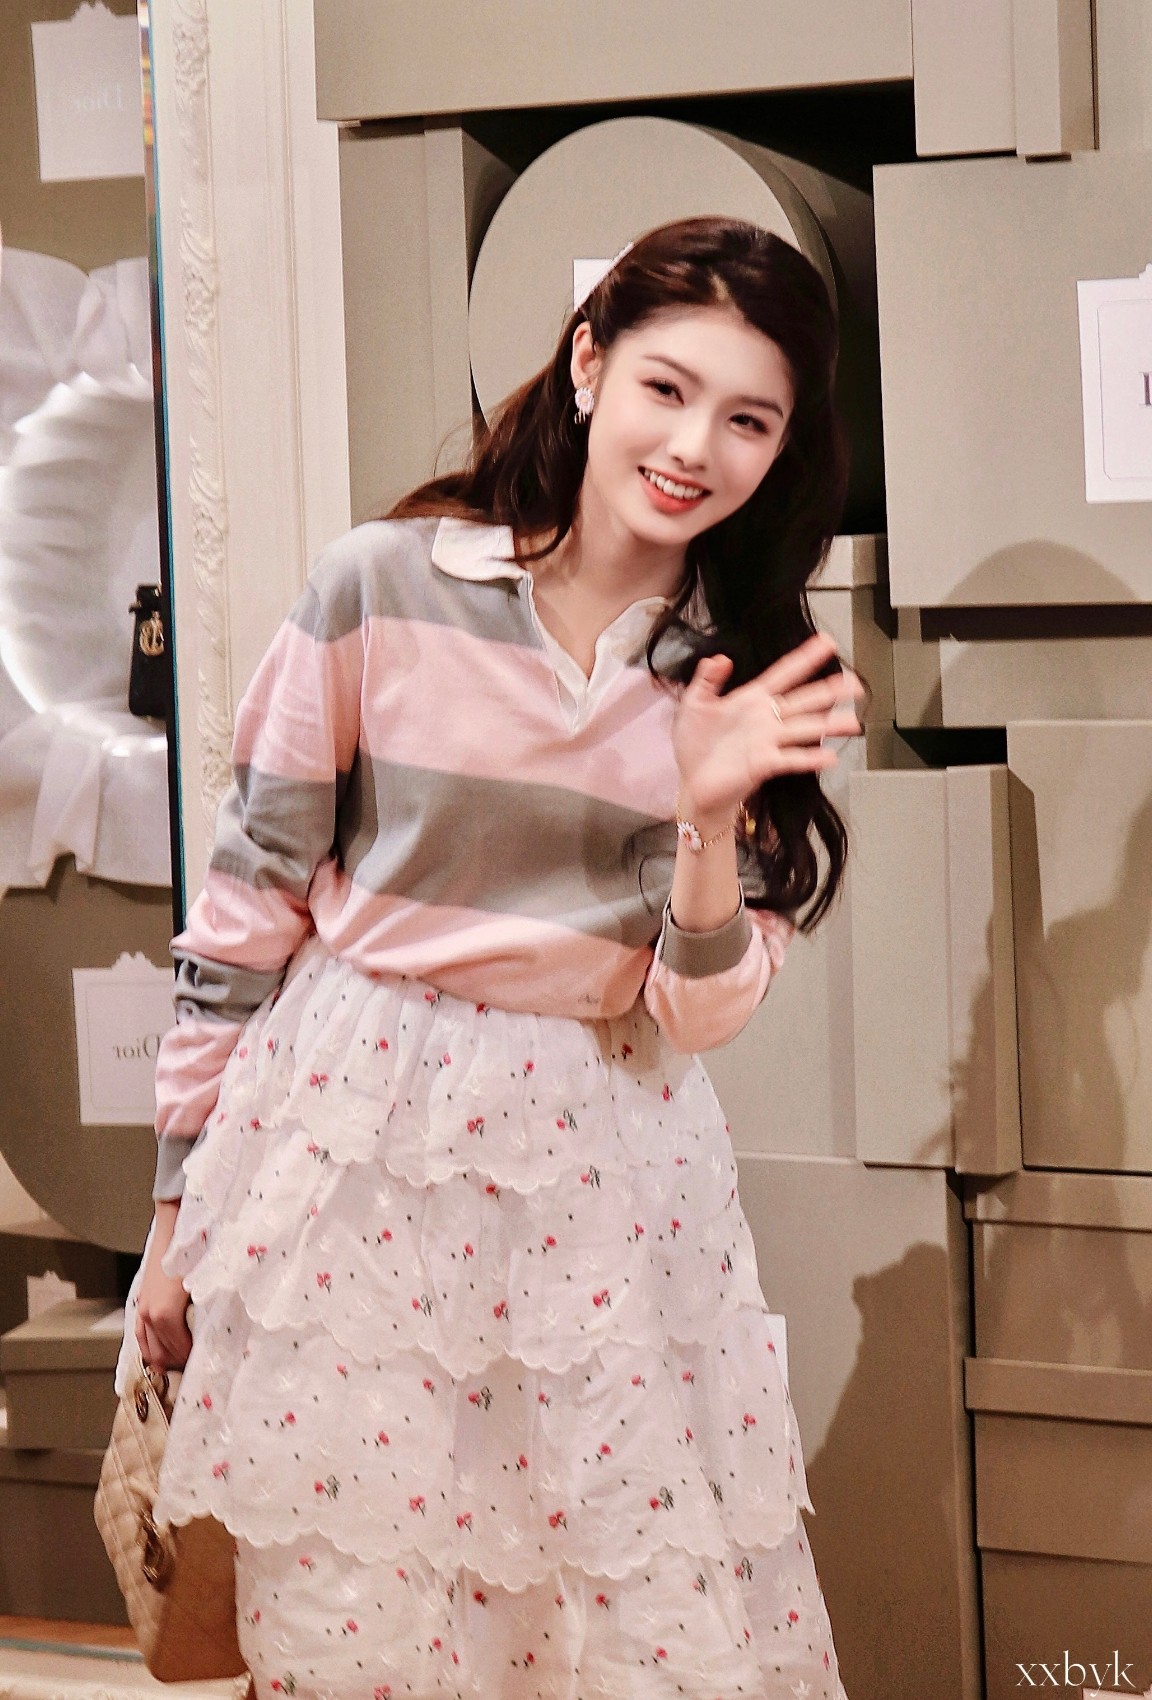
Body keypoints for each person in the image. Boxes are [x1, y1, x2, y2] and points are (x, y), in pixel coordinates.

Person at [119, 215, 864, 1700]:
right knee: (363, 1608)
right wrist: (174, 1208)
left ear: (785, 448)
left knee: (606, 1619)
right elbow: (248, 906)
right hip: (352, 1142)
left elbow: (702, 1012)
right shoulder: (378, 583)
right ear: (589, 365)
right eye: (666, 388)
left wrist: (708, 812)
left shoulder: (757, 668)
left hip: (603, 1166)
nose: (693, 446)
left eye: (747, 419)